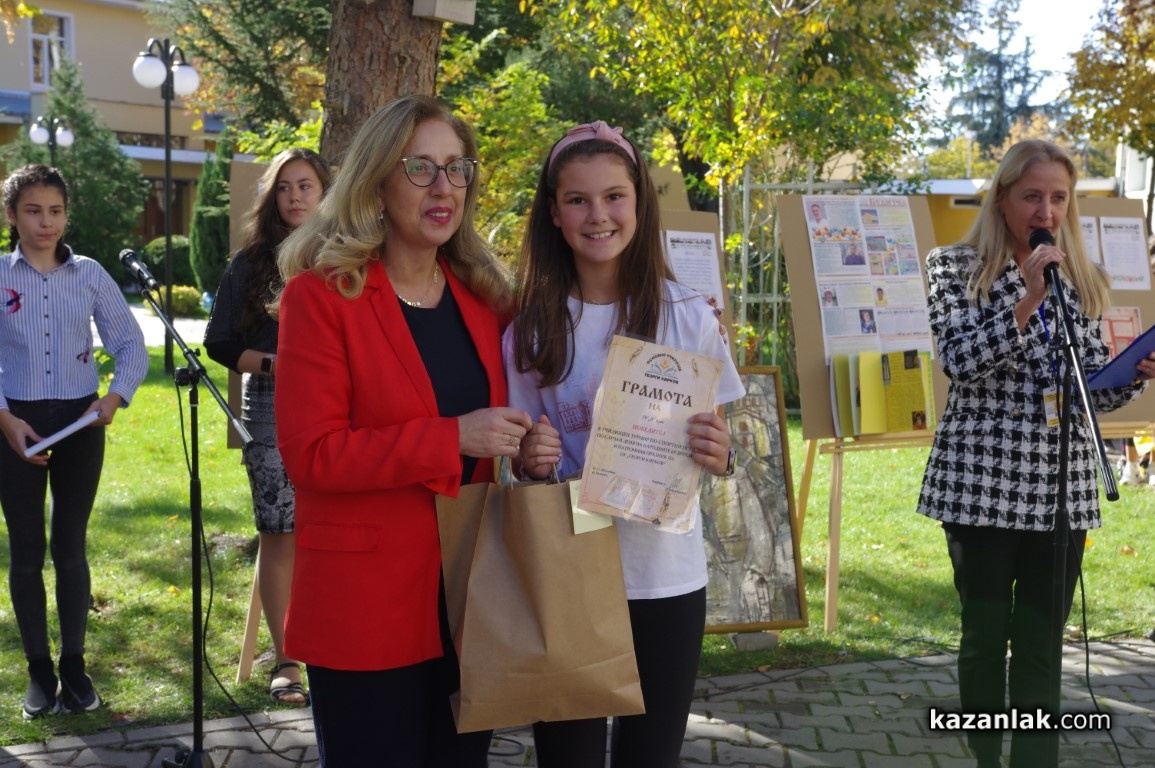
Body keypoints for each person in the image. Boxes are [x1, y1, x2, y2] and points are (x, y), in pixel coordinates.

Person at [272, 95, 533, 767]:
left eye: (457, 168)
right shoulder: (321, 296)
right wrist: (452, 438)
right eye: (420, 168)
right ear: (377, 184)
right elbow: (313, 455)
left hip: (470, 602)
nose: (444, 187)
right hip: (366, 609)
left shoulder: (487, 300)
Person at [504, 121, 744, 768]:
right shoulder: (529, 329)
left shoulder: (687, 314)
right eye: (577, 199)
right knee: (569, 757)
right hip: (570, 571)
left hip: (665, 576)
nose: (598, 215)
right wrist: (531, 461)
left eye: (614, 196)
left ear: (639, 201)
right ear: (553, 212)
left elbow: (724, 444)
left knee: (651, 756)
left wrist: (721, 453)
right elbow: (521, 463)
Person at [917, 139, 1153, 768]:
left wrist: (1133, 374)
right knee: (985, 638)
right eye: (1031, 196)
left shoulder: (1078, 278)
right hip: (982, 489)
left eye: (1057, 198)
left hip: (1061, 493)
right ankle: (986, 759)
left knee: (1043, 646)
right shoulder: (953, 267)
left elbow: (1089, 389)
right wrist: (1025, 299)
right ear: (1002, 200)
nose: (1045, 211)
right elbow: (960, 361)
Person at [0, 164, 148, 718]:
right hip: (14, 426)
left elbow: (130, 344)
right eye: (33, 211)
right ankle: (39, 671)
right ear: (11, 215)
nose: (46, 222)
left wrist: (114, 397)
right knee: (26, 550)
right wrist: (5, 418)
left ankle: (74, 667)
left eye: (56, 211)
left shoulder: (89, 273)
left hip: (81, 424)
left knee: (70, 545)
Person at [203, 147, 331, 705]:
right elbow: (219, 342)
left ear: (326, 192)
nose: (295, 196)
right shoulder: (252, 262)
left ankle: (338, 653)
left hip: (342, 408)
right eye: (284, 187)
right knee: (280, 535)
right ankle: (287, 662)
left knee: (337, 531)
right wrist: (279, 364)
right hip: (272, 409)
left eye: (305, 185)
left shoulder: (352, 254)